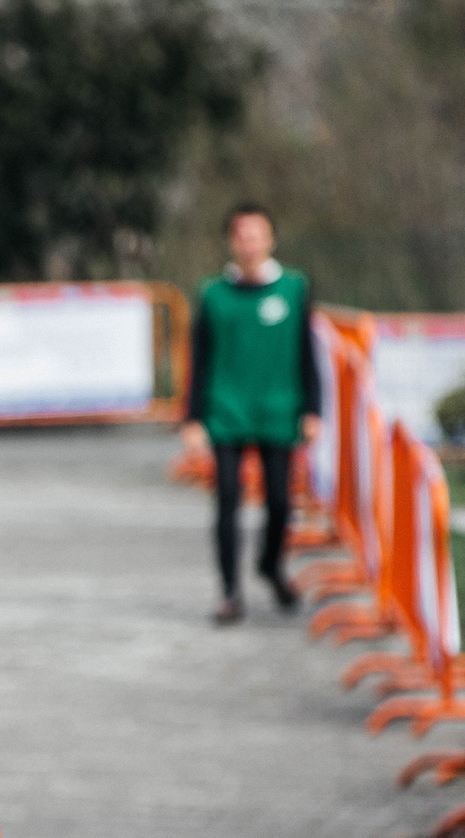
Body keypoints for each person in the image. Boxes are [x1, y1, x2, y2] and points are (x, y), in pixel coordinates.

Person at [182, 202, 320, 624]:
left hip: (279, 410)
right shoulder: (213, 294)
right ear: (230, 241)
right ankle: (229, 592)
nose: (249, 243)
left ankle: (271, 564)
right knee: (227, 501)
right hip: (226, 411)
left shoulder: (294, 288)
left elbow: (308, 354)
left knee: (279, 502)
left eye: (256, 234)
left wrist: (314, 409)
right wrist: (192, 418)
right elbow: (199, 358)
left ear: (270, 240)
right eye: (241, 235)